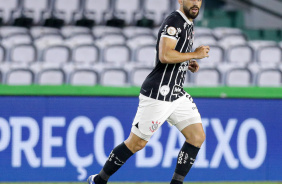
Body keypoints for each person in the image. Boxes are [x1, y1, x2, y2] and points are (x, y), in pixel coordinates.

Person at [88, 0, 210, 183]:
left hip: (176, 93)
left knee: (197, 136)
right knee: (136, 143)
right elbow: (165, 55)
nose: (196, 3)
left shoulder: (188, 22)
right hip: (159, 93)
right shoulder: (174, 22)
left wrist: (186, 63)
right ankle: (99, 181)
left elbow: (173, 56)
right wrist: (194, 54)